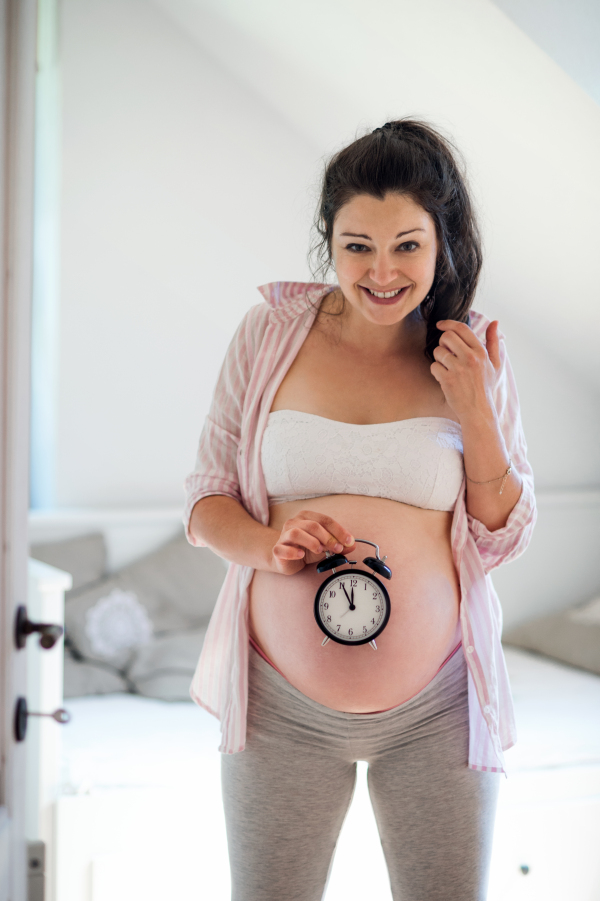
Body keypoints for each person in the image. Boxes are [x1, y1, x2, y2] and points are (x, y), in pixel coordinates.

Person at [183, 119, 536, 901]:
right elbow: (207, 502)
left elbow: (502, 534)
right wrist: (271, 541)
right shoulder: (270, 335)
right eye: (357, 246)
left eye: (407, 244)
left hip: (437, 703)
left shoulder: (471, 351)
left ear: (443, 242)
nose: (381, 271)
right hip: (280, 704)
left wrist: (476, 410)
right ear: (328, 241)